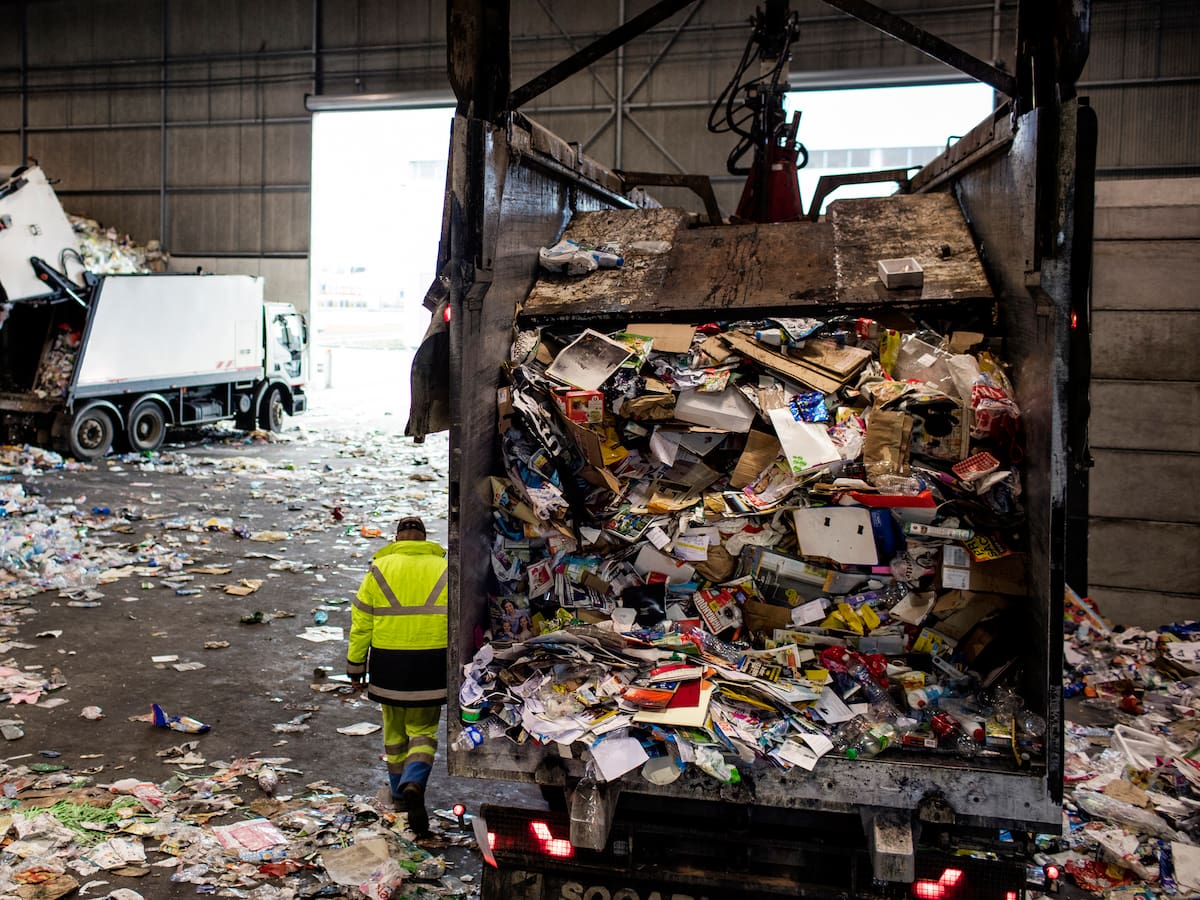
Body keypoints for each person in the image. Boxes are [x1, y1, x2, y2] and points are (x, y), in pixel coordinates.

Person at [346, 515, 447, 838]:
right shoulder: (445, 569)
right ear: (424, 539)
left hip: (389, 666)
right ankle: (414, 779)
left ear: (397, 539)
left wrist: (355, 668)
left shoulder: (379, 570)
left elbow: (362, 624)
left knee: (394, 731)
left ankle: (399, 793)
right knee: (423, 730)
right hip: (432, 665)